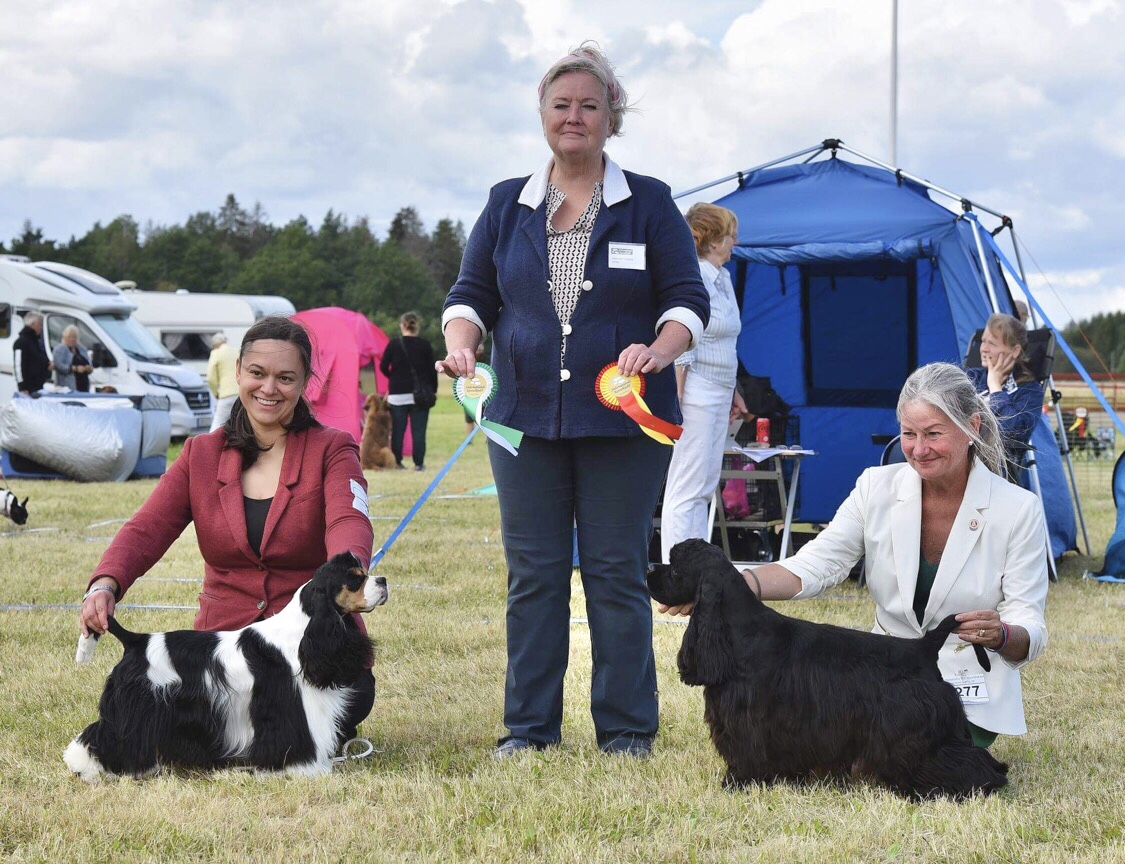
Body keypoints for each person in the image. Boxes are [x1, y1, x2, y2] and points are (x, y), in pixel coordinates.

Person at [439, 42, 709, 760]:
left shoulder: (648, 202)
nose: (574, 116)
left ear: (611, 116)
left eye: (589, 105)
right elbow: (469, 295)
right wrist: (462, 345)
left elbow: (687, 299)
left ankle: (626, 729)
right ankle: (528, 729)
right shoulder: (507, 203)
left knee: (615, 572)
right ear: (542, 114)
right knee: (533, 577)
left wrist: (661, 350)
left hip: (622, 422)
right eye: (561, 104)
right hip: (521, 421)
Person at [660, 362, 1048, 748]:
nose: (919, 449)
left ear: (971, 427)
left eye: (933, 434)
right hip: (880, 676)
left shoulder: (1018, 509)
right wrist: (732, 586)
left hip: (968, 685)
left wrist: (1002, 634)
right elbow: (816, 564)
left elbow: (1027, 620)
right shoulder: (874, 487)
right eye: (908, 434)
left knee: (924, 761)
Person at [78, 316, 376, 742]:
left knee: (341, 701)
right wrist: (105, 583)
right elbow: (146, 528)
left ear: (305, 382)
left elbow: (349, 519)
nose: (269, 388)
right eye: (257, 373)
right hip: (223, 656)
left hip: (310, 651)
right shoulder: (200, 453)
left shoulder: (333, 448)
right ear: (237, 371)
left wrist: (349, 572)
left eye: (285, 377)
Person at [660, 203, 747, 564]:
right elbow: (684, 338)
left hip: (720, 390)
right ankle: (676, 569)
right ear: (712, 241)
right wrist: (678, 397)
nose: (735, 242)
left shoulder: (723, 279)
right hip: (695, 392)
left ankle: (696, 567)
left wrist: (734, 391)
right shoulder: (693, 277)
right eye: (730, 236)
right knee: (687, 485)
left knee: (706, 485)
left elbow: (725, 342)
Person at [967, 313, 1043, 476]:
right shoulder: (972, 377)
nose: (983, 348)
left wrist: (995, 388)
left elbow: (1011, 432)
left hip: (994, 470)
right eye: (983, 341)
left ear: (1015, 351)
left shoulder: (1029, 391)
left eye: (992, 344)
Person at [379, 311, 437, 471]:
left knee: (398, 430)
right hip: (420, 395)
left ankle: (397, 462)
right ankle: (419, 464)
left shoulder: (394, 344)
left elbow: (383, 366)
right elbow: (431, 371)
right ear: (416, 326)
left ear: (402, 325)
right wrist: (433, 389)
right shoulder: (424, 345)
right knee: (419, 431)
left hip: (397, 394)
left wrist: (394, 378)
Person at [207, 331, 239, 432]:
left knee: (217, 422)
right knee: (238, 423)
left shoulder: (216, 353)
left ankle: (210, 442)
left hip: (226, 394)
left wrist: (215, 393)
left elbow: (211, 378)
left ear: (215, 344)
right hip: (240, 393)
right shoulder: (236, 352)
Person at [14, 311, 51, 395]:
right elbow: (18, 367)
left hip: (38, 386)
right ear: (33, 324)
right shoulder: (21, 342)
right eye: (40, 324)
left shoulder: (36, 342)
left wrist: (47, 365)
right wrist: (22, 387)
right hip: (28, 389)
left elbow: (38, 360)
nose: (41, 328)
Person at [52, 324, 93, 392]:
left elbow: (89, 363)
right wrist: (76, 369)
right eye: (69, 337)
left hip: (84, 385)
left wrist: (88, 368)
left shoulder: (82, 349)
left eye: (74, 337)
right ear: (64, 337)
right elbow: (59, 366)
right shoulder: (59, 349)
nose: (72, 339)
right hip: (67, 387)